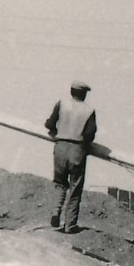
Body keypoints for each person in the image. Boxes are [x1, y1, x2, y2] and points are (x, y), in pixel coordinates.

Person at [44, 81, 97, 234]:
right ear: (84, 94)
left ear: (71, 91)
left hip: (60, 147)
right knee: (75, 188)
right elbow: (89, 134)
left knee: (60, 183)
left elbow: (49, 124)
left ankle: (55, 212)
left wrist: (57, 133)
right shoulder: (89, 110)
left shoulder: (61, 104)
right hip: (77, 150)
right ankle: (70, 224)